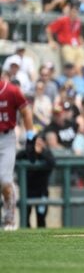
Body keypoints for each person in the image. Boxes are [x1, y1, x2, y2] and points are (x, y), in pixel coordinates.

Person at [0, 77, 36, 230]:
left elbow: (26, 112)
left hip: (6, 138)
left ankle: (9, 219)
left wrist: (30, 137)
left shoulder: (11, 90)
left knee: (4, 179)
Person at [16, 135, 56, 228]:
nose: (38, 145)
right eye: (36, 142)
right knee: (25, 218)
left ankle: (42, 240)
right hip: (27, 190)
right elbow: (17, 158)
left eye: (40, 142)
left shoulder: (46, 153)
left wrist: (41, 152)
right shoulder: (25, 154)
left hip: (42, 191)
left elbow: (52, 162)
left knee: (41, 218)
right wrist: (31, 151)